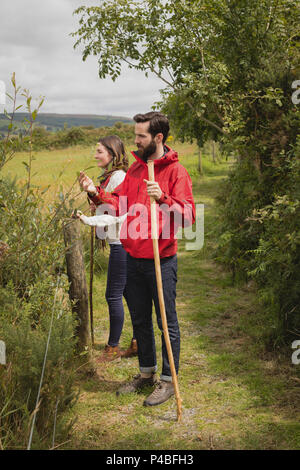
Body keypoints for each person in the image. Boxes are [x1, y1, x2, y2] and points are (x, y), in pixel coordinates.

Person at [79, 112, 195, 406]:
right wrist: (96, 193)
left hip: (161, 259)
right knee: (140, 319)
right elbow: (120, 203)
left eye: (141, 136)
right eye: (135, 135)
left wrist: (165, 198)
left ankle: (169, 382)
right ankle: (146, 374)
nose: (135, 140)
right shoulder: (134, 171)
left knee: (166, 322)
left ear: (158, 138)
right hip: (133, 257)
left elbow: (189, 217)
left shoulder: (176, 173)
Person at [80, 135, 137, 362]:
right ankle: (138, 341)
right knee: (129, 294)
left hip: (121, 242)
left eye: (100, 151)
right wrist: (91, 190)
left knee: (113, 296)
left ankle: (112, 348)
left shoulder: (119, 177)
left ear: (112, 154)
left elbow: (113, 208)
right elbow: (105, 204)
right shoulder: (112, 177)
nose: (95, 155)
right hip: (122, 241)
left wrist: (93, 195)